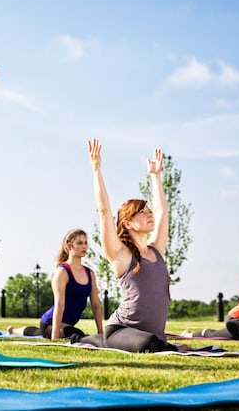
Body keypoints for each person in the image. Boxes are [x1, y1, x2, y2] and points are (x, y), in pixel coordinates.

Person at [72, 139, 184, 353]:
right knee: (150, 345)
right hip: (122, 329)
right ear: (127, 222)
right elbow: (104, 211)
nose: (149, 214)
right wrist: (96, 170)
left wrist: (156, 177)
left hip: (153, 335)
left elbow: (162, 213)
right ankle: (93, 339)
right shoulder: (121, 254)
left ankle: (89, 338)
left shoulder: (156, 250)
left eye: (148, 210)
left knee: (154, 342)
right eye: (142, 212)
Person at [7, 229, 103, 339]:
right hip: (51, 322)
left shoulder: (90, 273)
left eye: (86, 243)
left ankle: (13, 330)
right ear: (69, 246)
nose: (84, 247)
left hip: (67, 324)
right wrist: (55, 336)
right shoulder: (62, 272)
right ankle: (17, 331)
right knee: (76, 334)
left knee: (40, 333)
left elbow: (95, 305)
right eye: (79, 243)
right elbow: (59, 305)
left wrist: (101, 333)